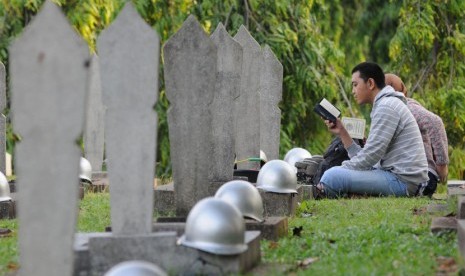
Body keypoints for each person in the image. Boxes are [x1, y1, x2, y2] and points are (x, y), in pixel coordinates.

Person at [315, 62, 428, 198]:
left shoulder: (387, 107)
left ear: (370, 83)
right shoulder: (384, 104)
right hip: (398, 177)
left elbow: (370, 157)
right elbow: (369, 159)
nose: (353, 91)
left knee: (332, 177)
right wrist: (342, 132)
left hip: (404, 182)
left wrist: (341, 169)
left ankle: (331, 195)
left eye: (355, 85)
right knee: (335, 173)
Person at [385, 73, 449, 197]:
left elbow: (434, 122)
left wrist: (442, 164)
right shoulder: (388, 112)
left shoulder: (406, 107)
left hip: (423, 177)